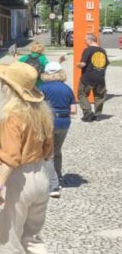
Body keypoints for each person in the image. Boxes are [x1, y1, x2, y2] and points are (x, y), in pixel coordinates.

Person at [0, 61, 73, 254]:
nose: (1, 84)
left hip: (19, 180)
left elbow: (10, 157)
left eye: (4, 81)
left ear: (10, 87)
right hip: (41, 176)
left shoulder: (13, 116)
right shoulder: (42, 113)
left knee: (8, 235)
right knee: (32, 236)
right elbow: (48, 152)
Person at [40, 62, 76, 198]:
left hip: (48, 121)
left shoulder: (42, 88)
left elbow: (38, 107)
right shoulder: (67, 89)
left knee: (47, 153)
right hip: (65, 122)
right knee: (57, 151)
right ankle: (58, 176)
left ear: (46, 73)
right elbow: (73, 110)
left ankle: (53, 185)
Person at [77, 33, 108, 122]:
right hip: (100, 77)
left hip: (88, 77)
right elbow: (106, 64)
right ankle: (97, 114)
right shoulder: (103, 51)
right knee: (99, 96)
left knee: (82, 93)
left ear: (90, 40)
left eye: (85, 40)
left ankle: (87, 112)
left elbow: (83, 64)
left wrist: (78, 65)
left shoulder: (88, 50)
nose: (85, 42)